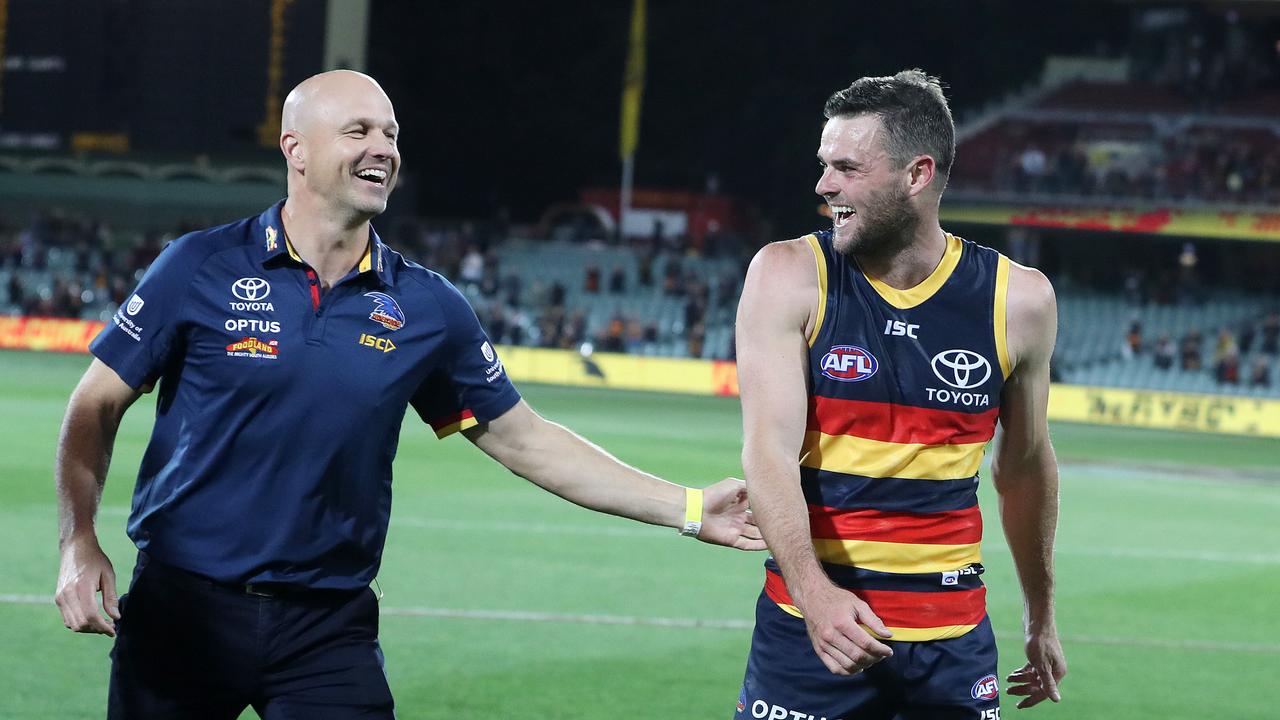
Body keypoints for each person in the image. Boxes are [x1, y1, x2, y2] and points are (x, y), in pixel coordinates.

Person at [53, 70, 764, 719]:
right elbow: (94, 406)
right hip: (183, 612)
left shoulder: (426, 306)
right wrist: (78, 540)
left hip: (326, 627)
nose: (383, 148)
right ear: (295, 148)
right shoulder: (199, 266)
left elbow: (525, 439)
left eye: (390, 133)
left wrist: (692, 508)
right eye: (358, 130)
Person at [732, 70, 1066, 719]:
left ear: (916, 175)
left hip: (953, 644)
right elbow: (767, 451)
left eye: (847, 168)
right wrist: (815, 593)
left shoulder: (1019, 301)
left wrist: (1040, 613)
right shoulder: (789, 275)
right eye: (824, 166)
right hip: (812, 635)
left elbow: (1024, 468)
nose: (824, 185)